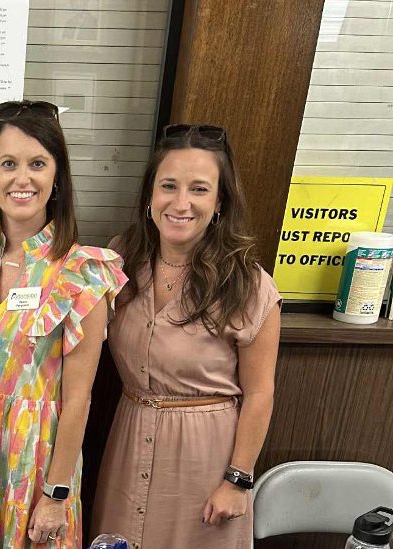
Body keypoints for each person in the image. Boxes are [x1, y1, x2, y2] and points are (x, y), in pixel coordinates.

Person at [0, 100, 127, 548]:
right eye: (8, 163)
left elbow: (78, 399)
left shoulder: (80, 272)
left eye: (37, 163)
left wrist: (56, 493)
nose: (22, 178)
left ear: (57, 178)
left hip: (29, 470)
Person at [91, 124, 282, 548]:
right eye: (168, 186)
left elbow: (260, 393)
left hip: (204, 458)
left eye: (198, 189)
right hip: (128, 438)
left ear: (219, 203)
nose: (181, 203)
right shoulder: (120, 259)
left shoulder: (248, 284)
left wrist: (238, 480)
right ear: (149, 196)